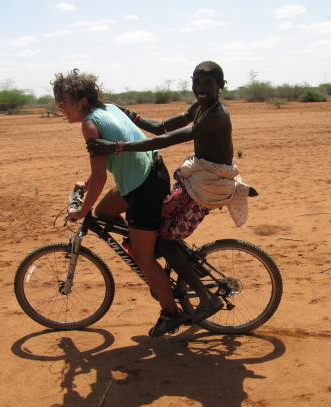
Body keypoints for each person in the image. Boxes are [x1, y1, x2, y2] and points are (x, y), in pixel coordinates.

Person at [87, 61, 254, 328]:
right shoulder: (202, 107)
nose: (200, 89)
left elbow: (166, 140)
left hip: (208, 186)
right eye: (196, 82)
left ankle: (206, 299)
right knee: (162, 229)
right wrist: (129, 114)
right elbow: (162, 127)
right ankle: (185, 268)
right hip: (199, 178)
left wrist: (117, 146)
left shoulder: (216, 115)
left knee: (164, 242)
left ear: (221, 87)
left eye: (208, 84)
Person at [52, 69, 190, 338]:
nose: (60, 107)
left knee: (143, 257)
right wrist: (87, 185)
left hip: (144, 186)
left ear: (82, 100)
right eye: (58, 102)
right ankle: (141, 245)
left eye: (64, 101)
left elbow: (102, 176)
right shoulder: (109, 108)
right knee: (104, 211)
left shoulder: (89, 124)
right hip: (149, 173)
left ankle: (172, 313)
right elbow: (100, 169)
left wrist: (81, 211)